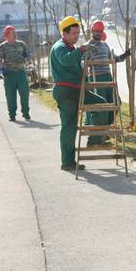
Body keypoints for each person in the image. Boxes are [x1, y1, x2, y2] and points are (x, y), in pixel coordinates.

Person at [49, 16, 104, 171]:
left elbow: (73, 65)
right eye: (73, 33)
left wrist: (84, 59)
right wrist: (81, 50)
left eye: (78, 33)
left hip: (77, 90)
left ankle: (94, 137)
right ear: (64, 33)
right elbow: (66, 60)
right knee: (69, 126)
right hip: (66, 91)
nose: (76, 36)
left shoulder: (70, 47)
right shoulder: (60, 47)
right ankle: (67, 162)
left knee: (102, 105)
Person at [82, 20, 130, 145]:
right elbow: (82, 62)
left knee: (116, 103)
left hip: (108, 78)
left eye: (100, 31)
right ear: (91, 31)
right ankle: (95, 137)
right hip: (95, 78)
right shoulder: (87, 46)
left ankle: (104, 130)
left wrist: (125, 55)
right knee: (100, 108)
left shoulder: (105, 45)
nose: (98, 33)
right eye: (96, 31)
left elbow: (113, 59)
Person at [0, 26, 31, 122]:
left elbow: (28, 55)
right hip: (9, 74)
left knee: (25, 93)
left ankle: (25, 112)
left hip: (21, 73)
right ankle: (12, 114)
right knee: (10, 95)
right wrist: (2, 68)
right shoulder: (2, 46)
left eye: (15, 32)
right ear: (7, 35)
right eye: (12, 33)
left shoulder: (21, 44)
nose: (15, 34)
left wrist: (27, 56)